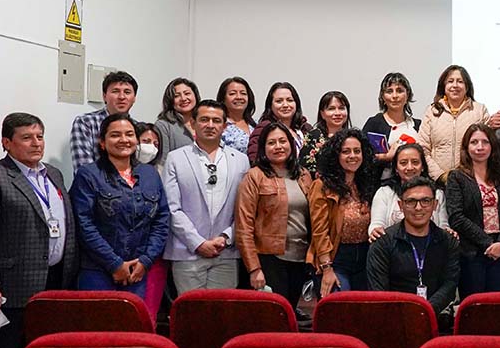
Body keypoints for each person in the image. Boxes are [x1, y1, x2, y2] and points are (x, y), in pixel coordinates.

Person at [0, 113, 79, 348]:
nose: (36, 143)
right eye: (26, 138)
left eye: (39, 137)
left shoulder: (55, 174)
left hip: (56, 280)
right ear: (6, 143)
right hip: (13, 285)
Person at [70, 114, 170, 307]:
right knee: (97, 333)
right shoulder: (89, 175)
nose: (124, 140)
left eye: (129, 134)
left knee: (131, 332)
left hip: (137, 270)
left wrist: (146, 260)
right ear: (102, 142)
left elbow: (161, 220)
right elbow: (84, 224)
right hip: (97, 270)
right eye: (116, 135)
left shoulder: (150, 174)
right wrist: (114, 263)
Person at [162, 100, 250, 294]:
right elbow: (171, 207)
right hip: (187, 252)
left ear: (225, 126)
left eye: (216, 121)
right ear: (193, 123)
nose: (210, 125)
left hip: (226, 251)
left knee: (222, 315)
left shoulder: (241, 161)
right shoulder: (176, 158)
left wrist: (226, 237)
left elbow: (246, 209)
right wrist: (198, 242)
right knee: (190, 315)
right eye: (204, 120)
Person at [235, 122, 315, 307]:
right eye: (272, 143)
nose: (278, 146)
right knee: (276, 316)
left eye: (282, 141)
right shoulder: (254, 176)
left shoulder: (303, 175)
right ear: (263, 148)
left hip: (300, 258)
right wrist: (254, 269)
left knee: (292, 311)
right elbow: (243, 227)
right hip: (269, 259)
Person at [367, 176, 461, 317]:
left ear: (435, 205)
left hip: (435, 316)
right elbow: (379, 290)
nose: (418, 208)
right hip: (394, 316)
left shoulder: (448, 241)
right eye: (411, 201)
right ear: (401, 205)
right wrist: (409, 313)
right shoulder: (383, 242)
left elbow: (449, 284)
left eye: (425, 201)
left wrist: (425, 311)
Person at [445, 124, 500, 297]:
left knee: (498, 306)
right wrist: (487, 243)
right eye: (474, 142)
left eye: (485, 142)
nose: (480, 147)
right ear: (466, 147)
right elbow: (456, 217)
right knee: (474, 307)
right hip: (471, 253)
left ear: (492, 145)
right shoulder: (457, 177)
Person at [310, 129, 381, 295]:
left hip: (364, 259)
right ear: (336, 155)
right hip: (335, 259)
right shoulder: (322, 186)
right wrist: (327, 268)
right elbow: (319, 231)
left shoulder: (365, 185)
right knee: (341, 311)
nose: (353, 156)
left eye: (357, 151)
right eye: (346, 151)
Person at [419, 65, 494, 181]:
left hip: (471, 180)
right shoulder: (432, 111)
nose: (455, 85)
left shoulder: (479, 110)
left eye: (460, 81)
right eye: (450, 81)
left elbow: (486, 147)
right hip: (437, 181)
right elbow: (423, 148)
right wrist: (440, 176)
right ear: (443, 86)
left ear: (467, 87)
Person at [369, 142, 449, 240]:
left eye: (415, 162)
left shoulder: (437, 194)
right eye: (403, 163)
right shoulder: (384, 193)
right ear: (396, 169)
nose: (410, 167)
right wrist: (375, 231)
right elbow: (376, 224)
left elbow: (443, 226)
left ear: (423, 167)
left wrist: (448, 232)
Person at [132, 122, 169, 317]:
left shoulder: (161, 172)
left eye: (155, 143)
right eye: (146, 141)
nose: (151, 147)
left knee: (149, 314)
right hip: (122, 257)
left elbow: (164, 216)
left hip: (154, 254)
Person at [70, 70, 138, 169]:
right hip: (95, 183)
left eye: (127, 92)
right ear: (104, 96)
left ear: (134, 98)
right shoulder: (85, 123)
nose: (122, 97)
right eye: (115, 91)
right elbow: (84, 170)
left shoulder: (137, 127)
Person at [362, 71, 420, 167]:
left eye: (399, 91)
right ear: (383, 97)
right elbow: (363, 157)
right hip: (383, 180)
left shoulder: (418, 125)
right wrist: (386, 157)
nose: (395, 96)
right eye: (389, 91)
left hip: (415, 180)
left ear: (408, 95)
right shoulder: (374, 124)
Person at [246, 82, 310, 160]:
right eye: (279, 101)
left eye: (290, 100)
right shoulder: (265, 127)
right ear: (270, 105)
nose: (285, 105)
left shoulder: (306, 128)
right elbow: (254, 154)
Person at [299, 91, 351, 175]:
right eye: (331, 109)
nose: (337, 113)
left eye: (341, 108)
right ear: (322, 114)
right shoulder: (313, 136)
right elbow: (304, 168)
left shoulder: (352, 137)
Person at [154, 77, 200, 165]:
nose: (183, 98)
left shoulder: (204, 122)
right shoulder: (163, 125)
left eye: (187, 93)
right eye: (176, 96)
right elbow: (162, 161)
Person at [216, 77, 256, 154]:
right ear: (223, 99)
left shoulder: (256, 124)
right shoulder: (219, 125)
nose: (239, 97)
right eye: (232, 94)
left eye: (243, 93)